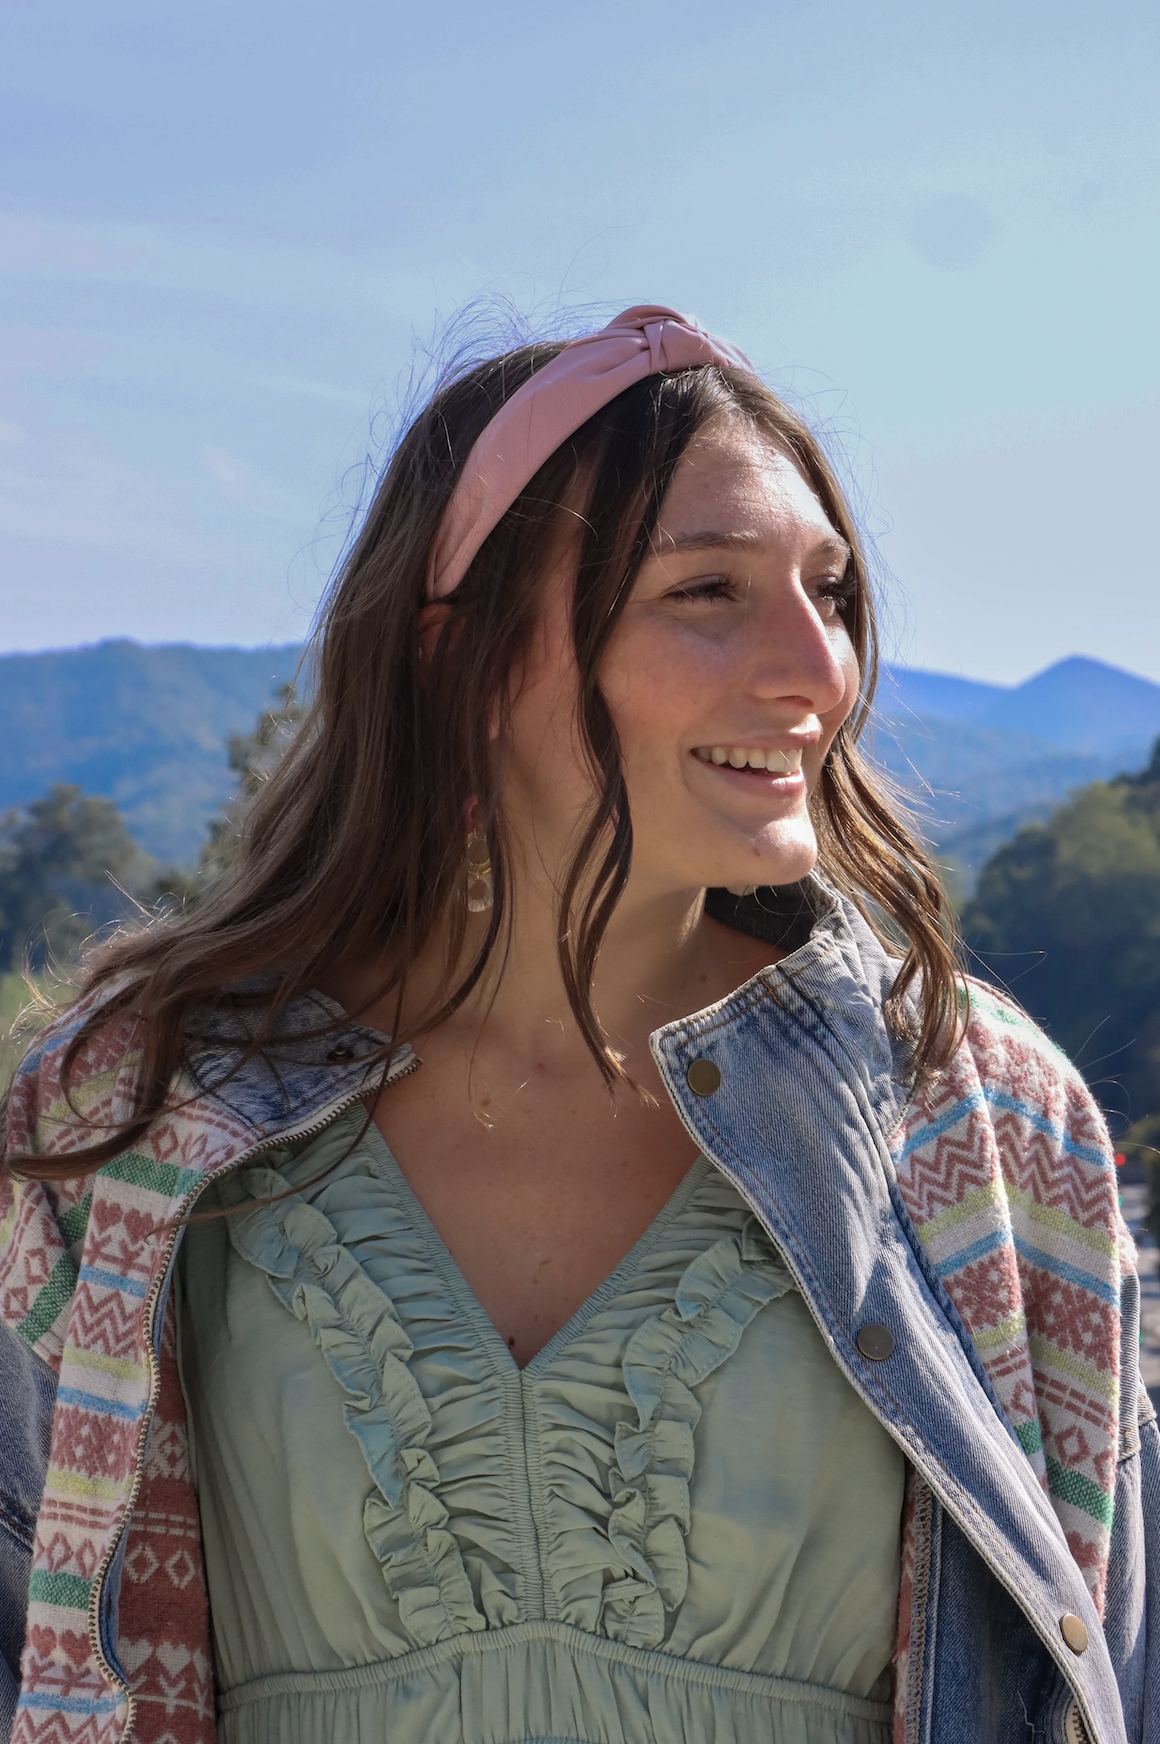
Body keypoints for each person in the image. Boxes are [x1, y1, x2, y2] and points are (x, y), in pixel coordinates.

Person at [0, 305, 1154, 1744]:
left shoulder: (984, 1122)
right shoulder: (130, 1118)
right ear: (465, 659)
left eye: (832, 591)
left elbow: (1114, 1673)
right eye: (707, 593)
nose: (818, 671)